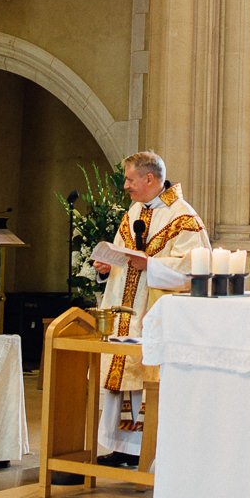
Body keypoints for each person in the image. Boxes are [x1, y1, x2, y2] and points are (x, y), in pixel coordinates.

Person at [92, 151, 210, 467]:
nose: (126, 186)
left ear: (150, 178)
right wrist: (106, 266)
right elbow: (121, 254)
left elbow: (193, 269)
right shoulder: (133, 212)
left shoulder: (183, 217)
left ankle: (147, 451)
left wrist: (151, 264)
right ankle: (121, 447)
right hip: (123, 312)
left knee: (146, 380)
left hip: (153, 314)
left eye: (131, 179)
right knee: (123, 380)